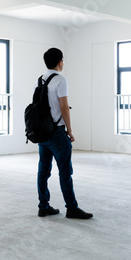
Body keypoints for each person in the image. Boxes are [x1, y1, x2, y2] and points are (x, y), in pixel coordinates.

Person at [37, 48, 93, 219]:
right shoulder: (61, 80)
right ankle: (71, 208)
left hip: (42, 133)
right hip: (57, 133)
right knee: (65, 172)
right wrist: (69, 130)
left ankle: (43, 206)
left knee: (43, 171)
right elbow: (64, 108)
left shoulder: (40, 80)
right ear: (59, 62)